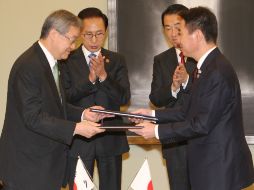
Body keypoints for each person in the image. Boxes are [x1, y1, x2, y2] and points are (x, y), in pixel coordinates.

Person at [130, 7, 254, 190]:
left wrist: (156, 132)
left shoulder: (216, 71)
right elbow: (186, 110)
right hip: (211, 165)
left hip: (220, 168)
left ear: (196, 35)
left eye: (181, 33)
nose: (177, 39)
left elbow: (200, 124)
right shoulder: (205, 67)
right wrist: (151, 114)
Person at [0, 9, 107, 190]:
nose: (73, 46)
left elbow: (56, 106)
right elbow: (33, 117)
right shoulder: (29, 66)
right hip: (28, 168)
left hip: (44, 166)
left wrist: (84, 114)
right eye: (72, 39)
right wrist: (76, 128)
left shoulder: (51, 62)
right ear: (54, 34)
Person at [61, 8, 131, 190]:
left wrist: (104, 76)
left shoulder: (116, 60)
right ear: (79, 34)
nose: (94, 40)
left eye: (99, 34)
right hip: (78, 140)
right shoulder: (66, 60)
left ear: (106, 32)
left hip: (110, 139)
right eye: (88, 34)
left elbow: (124, 97)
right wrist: (90, 80)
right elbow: (64, 98)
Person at [149, 4, 196, 190]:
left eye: (177, 26)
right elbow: (155, 98)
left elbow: (209, 96)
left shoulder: (200, 56)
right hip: (173, 141)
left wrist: (187, 81)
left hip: (200, 138)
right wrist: (174, 87)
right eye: (167, 28)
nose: (173, 33)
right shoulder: (161, 60)